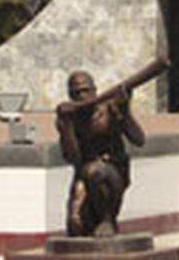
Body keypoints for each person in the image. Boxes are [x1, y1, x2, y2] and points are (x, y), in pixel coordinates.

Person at [55, 70, 146, 237]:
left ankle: (107, 219)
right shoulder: (70, 118)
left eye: (85, 90)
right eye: (76, 93)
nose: (82, 96)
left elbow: (139, 140)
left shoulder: (109, 109)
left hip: (113, 170)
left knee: (94, 171)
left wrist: (125, 111)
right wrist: (67, 126)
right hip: (83, 173)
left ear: (95, 90)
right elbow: (74, 159)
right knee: (76, 225)